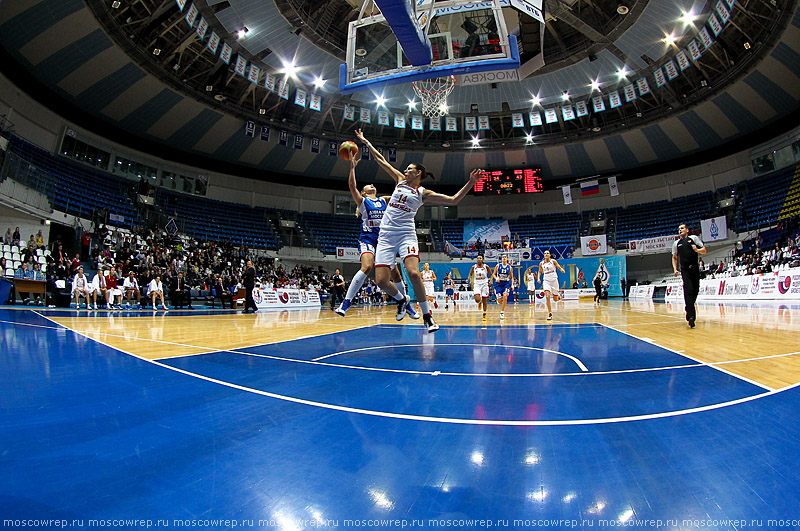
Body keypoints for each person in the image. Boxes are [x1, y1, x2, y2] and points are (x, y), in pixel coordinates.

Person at [355, 128, 482, 333]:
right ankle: (402, 298)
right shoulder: (399, 181)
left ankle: (427, 316)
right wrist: (365, 141)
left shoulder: (424, 193)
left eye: (409, 169)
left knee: (414, 273)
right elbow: (381, 161)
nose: (405, 171)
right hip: (386, 236)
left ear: (418, 173)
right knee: (380, 281)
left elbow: (453, 200)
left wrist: (471, 182)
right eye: (405, 169)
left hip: (406, 234)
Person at [334, 156, 412, 317]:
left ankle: (405, 303)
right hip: (368, 239)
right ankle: (346, 302)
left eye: (373, 185)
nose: (373, 185)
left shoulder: (383, 200)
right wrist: (352, 168)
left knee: (395, 274)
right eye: (369, 185)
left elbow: (399, 195)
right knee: (367, 266)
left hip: (384, 241)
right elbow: (351, 186)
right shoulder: (363, 202)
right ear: (364, 192)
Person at [672, 223, 707, 328]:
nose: (680, 230)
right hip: (685, 270)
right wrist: (675, 269)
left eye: (682, 228)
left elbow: (704, 250)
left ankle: (688, 307)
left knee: (695, 290)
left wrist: (697, 250)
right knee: (689, 290)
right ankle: (691, 317)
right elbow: (674, 257)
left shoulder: (693, 238)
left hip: (695, 268)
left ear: (687, 230)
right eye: (679, 229)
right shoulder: (677, 243)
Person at [537, 250, 566, 321]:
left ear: (550, 255)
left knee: (555, 300)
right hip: (546, 281)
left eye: (547, 253)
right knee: (547, 296)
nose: (546, 254)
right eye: (545, 253)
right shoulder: (541, 263)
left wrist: (561, 269)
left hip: (554, 281)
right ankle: (550, 313)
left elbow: (558, 266)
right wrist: (538, 278)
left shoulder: (553, 261)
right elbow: (540, 271)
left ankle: (558, 296)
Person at [469, 255, 493, 321]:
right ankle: (479, 302)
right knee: (477, 299)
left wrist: (490, 281)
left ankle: (484, 314)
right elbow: (470, 274)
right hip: (477, 283)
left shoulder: (486, 266)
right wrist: (471, 281)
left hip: (484, 283)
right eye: (478, 258)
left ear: (482, 259)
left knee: (485, 300)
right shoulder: (474, 267)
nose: (479, 259)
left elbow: (491, 274)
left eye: (480, 258)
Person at [493, 254, 514, 320]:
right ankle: (497, 296)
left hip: (506, 283)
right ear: (501, 259)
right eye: (503, 257)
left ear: (507, 259)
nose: (504, 258)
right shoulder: (498, 266)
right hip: (499, 283)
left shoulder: (510, 267)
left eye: (505, 257)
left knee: (505, 296)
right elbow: (493, 274)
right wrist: (496, 278)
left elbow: (512, 277)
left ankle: (502, 312)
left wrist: (512, 285)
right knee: (499, 301)